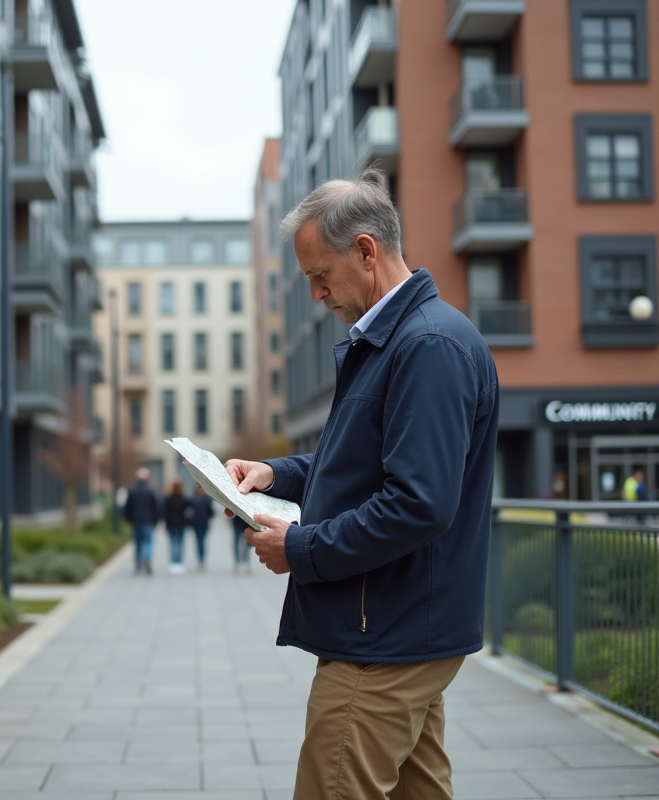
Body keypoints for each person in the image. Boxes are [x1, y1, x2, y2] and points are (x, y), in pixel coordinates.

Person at [224, 168, 499, 800]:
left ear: (366, 251)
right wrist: (277, 472)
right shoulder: (399, 341)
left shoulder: (425, 345)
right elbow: (360, 464)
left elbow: (417, 503)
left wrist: (300, 549)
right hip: (400, 628)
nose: (317, 294)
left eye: (320, 275)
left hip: (383, 638)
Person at [122, 467, 160, 575]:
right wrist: (156, 520)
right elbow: (155, 507)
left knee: (138, 543)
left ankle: (138, 565)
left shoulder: (132, 490)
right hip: (148, 521)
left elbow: (127, 507)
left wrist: (127, 519)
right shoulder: (150, 490)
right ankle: (147, 559)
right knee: (148, 542)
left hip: (135, 521)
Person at [163, 477, 190, 575]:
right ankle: (179, 563)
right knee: (180, 543)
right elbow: (188, 511)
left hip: (171, 524)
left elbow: (164, 512)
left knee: (173, 543)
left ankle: (174, 563)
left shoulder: (167, 498)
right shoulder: (184, 498)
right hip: (181, 524)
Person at [188, 483, 213, 571]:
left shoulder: (195, 499)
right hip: (199, 523)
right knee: (200, 542)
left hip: (201, 523)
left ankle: (201, 560)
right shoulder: (205, 499)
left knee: (200, 542)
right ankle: (201, 560)